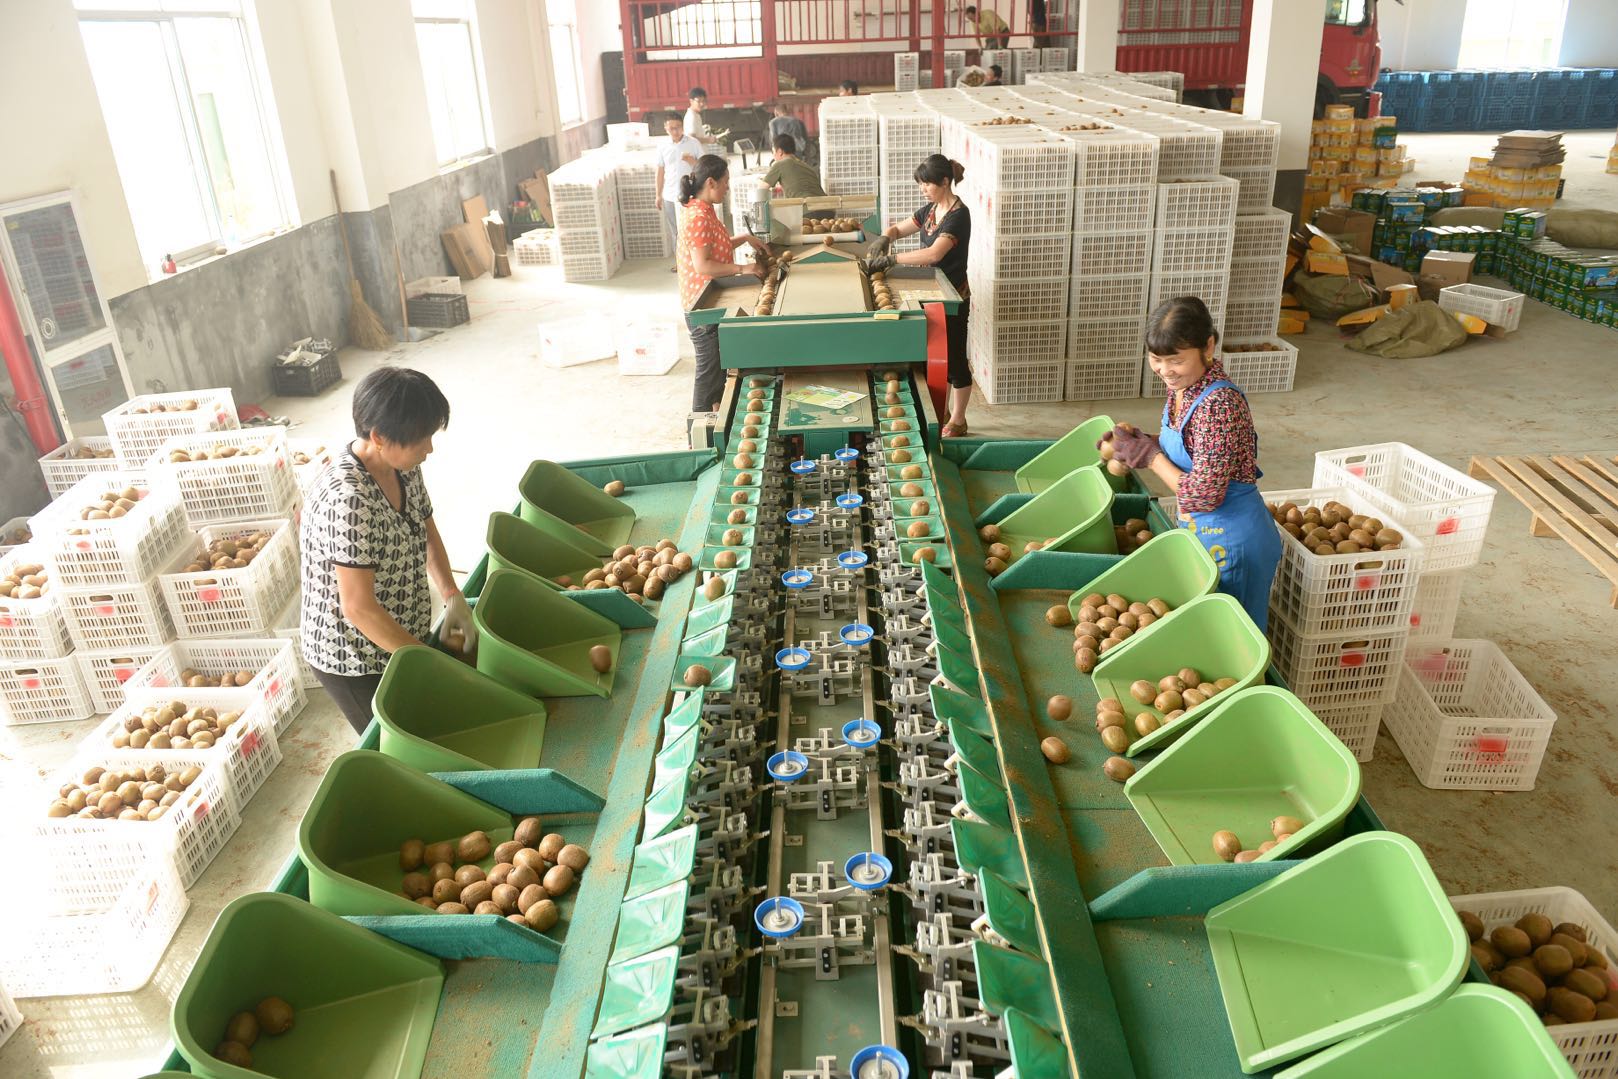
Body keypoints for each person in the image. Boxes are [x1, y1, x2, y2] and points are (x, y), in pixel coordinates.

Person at [299, 367, 472, 733]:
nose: (429, 448)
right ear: (378, 436)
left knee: (431, 723)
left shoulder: (403, 465)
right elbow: (358, 607)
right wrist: (423, 659)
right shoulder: (348, 500)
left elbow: (426, 528)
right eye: (420, 439)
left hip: (399, 632)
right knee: (398, 744)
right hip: (353, 656)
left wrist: (452, 594)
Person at [1104, 297, 1283, 631]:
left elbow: (1203, 495)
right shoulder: (1184, 387)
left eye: (1176, 360)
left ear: (1209, 345)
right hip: (1204, 531)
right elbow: (1193, 447)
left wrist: (1150, 457)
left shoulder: (1218, 405)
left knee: (1234, 636)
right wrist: (1141, 442)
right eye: (1156, 359)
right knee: (1210, 630)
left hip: (1234, 541)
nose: (1164, 370)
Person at [862, 154, 974, 437]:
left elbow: (935, 253)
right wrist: (885, 237)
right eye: (921, 184)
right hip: (930, 293)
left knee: (956, 359)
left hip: (953, 297)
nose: (923, 189)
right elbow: (900, 228)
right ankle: (944, 411)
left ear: (945, 182)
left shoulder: (959, 216)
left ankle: (959, 420)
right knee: (937, 357)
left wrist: (892, 259)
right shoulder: (931, 210)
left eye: (927, 184)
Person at [678, 154, 770, 412]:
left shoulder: (704, 209)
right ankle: (699, 435)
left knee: (717, 371)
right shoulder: (698, 216)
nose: (727, 187)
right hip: (703, 306)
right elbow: (703, 265)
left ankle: (717, 414)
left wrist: (744, 239)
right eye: (726, 182)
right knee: (708, 373)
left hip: (715, 296)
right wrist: (744, 268)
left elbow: (716, 247)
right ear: (711, 182)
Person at [655, 112, 701, 265]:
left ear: (683, 126)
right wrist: (658, 194)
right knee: (675, 231)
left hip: (690, 195)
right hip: (669, 195)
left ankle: (695, 262)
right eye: (671, 128)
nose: (675, 131)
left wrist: (691, 161)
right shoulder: (662, 147)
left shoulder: (693, 143)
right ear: (665, 128)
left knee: (692, 230)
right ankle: (681, 263)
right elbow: (660, 171)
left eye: (678, 127)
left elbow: (703, 167)